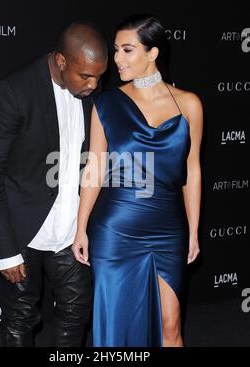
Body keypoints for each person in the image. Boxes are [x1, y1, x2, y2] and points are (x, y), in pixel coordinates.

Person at [0, 22, 107, 347]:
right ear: (61, 61)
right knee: (21, 315)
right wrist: (4, 250)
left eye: (99, 77)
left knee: (77, 310)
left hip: (70, 230)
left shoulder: (90, 95)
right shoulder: (14, 91)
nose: (94, 85)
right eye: (86, 76)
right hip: (23, 231)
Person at [72, 14, 203, 347]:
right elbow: (95, 169)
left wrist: (194, 230)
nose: (116, 59)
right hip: (116, 230)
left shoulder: (189, 104)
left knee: (171, 326)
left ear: (153, 53)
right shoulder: (106, 104)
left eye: (127, 50)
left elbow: (192, 170)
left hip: (168, 228)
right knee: (117, 328)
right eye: (116, 50)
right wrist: (80, 227)